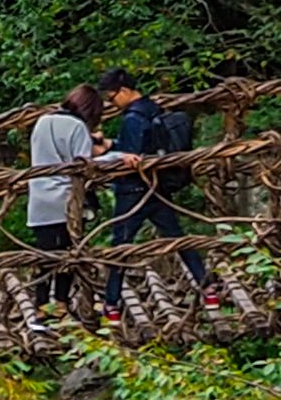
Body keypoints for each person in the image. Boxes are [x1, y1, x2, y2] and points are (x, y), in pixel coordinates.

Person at [104, 68, 220, 311]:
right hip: (158, 187)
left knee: (120, 246)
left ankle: (111, 304)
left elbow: (132, 157)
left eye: (112, 96)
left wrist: (108, 156)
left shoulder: (132, 118)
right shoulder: (153, 109)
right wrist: (112, 145)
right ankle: (207, 288)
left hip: (133, 192)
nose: (111, 102)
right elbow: (147, 148)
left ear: (124, 91)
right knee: (177, 238)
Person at [22, 81, 99, 308]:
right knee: (68, 255)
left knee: (45, 257)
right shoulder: (78, 128)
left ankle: (41, 306)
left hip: (38, 199)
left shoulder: (42, 121)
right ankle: (61, 304)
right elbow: (83, 165)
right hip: (66, 201)